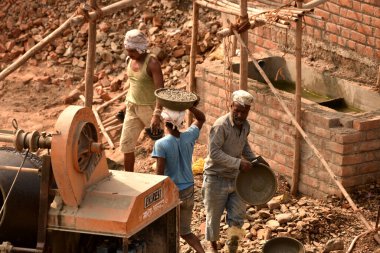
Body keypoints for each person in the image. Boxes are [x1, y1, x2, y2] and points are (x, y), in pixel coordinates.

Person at [202, 90, 265, 252]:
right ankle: (213, 246)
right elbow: (214, 153)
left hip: (236, 179)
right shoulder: (220, 126)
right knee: (213, 218)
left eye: (243, 112)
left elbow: (243, 146)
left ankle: (232, 248)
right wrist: (239, 163)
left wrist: (255, 160)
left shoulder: (246, 126)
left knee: (237, 217)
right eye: (236, 110)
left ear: (248, 112)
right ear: (231, 106)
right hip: (215, 178)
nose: (239, 114)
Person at [152, 105, 206, 253]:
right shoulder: (189, 136)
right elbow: (201, 118)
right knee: (185, 231)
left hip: (172, 193)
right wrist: (190, 107)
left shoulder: (161, 144)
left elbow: (160, 176)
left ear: (165, 122)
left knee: (167, 230)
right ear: (181, 122)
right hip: (189, 190)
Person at [119, 29, 164, 172]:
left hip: (149, 109)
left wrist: (156, 114)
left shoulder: (152, 63)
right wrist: (126, 103)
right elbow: (134, 84)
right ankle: (129, 177)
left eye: (132, 51)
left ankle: (162, 178)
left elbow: (160, 91)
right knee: (126, 145)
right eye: (128, 50)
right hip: (132, 107)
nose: (129, 54)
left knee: (161, 146)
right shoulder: (129, 60)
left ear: (141, 49)